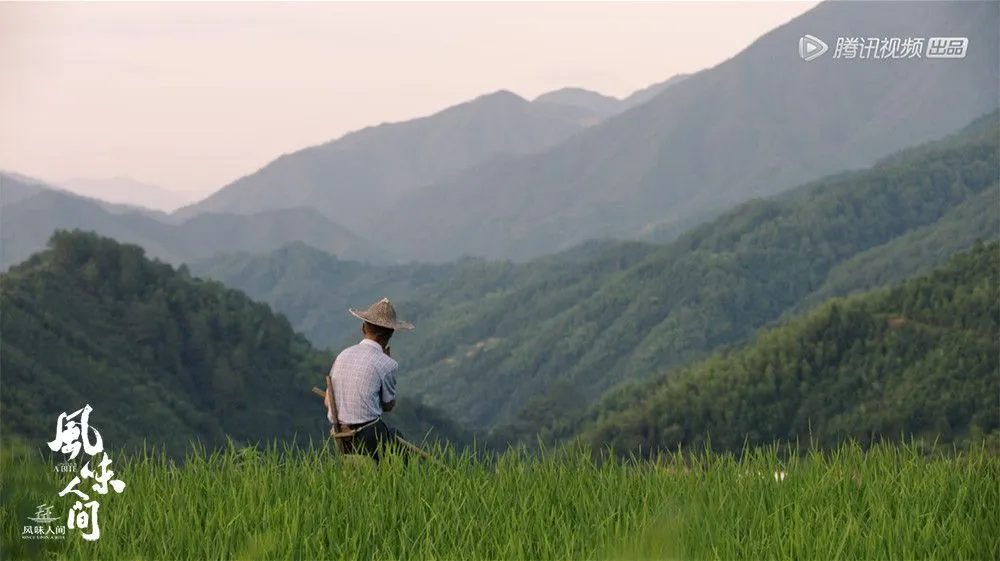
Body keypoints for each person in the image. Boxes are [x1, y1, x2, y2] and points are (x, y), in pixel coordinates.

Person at [325, 297, 415, 463]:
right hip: (367, 435)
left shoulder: (343, 355)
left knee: (391, 436)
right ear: (391, 333)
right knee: (396, 439)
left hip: (339, 434)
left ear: (362, 328)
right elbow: (388, 406)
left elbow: (327, 402)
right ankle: (400, 485)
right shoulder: (388, 364)